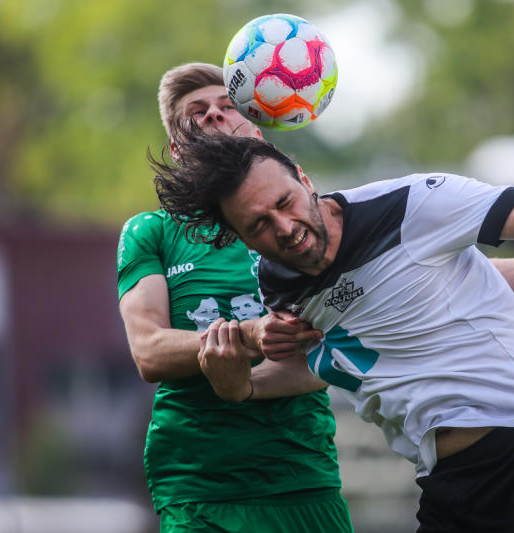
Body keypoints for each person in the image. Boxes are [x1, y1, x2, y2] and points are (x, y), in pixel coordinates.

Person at [152, 131, 514, 532]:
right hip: (448, 482)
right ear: (240, 237)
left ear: (304, 179)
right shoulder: (277, 283)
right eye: (260, 224)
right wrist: (242, 386)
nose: (285, 226)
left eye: (285, 202)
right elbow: (330, 361)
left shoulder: (412, 205)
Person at [117, 63, 354, 533]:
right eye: (196, 112)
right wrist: (248, 336)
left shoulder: (299, 222)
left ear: (258, 132)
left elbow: (338, 346)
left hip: (302, 475)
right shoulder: (151, 232)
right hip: (199, 486)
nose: (214, 115)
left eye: (228, 106)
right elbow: (148, 351)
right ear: (176, 148)